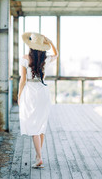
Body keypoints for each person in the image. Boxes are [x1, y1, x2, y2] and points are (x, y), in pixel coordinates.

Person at [17, 32, 59, 168]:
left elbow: (23, 80)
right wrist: (51, 42)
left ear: (30, 46)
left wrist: (19, 95)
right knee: (41, 126)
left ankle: (39, 157)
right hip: (43, 92)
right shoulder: (45, 60)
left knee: (33, 125)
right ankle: (38, 155)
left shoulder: (24, 59)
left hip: (30, 93)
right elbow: (56, 54)